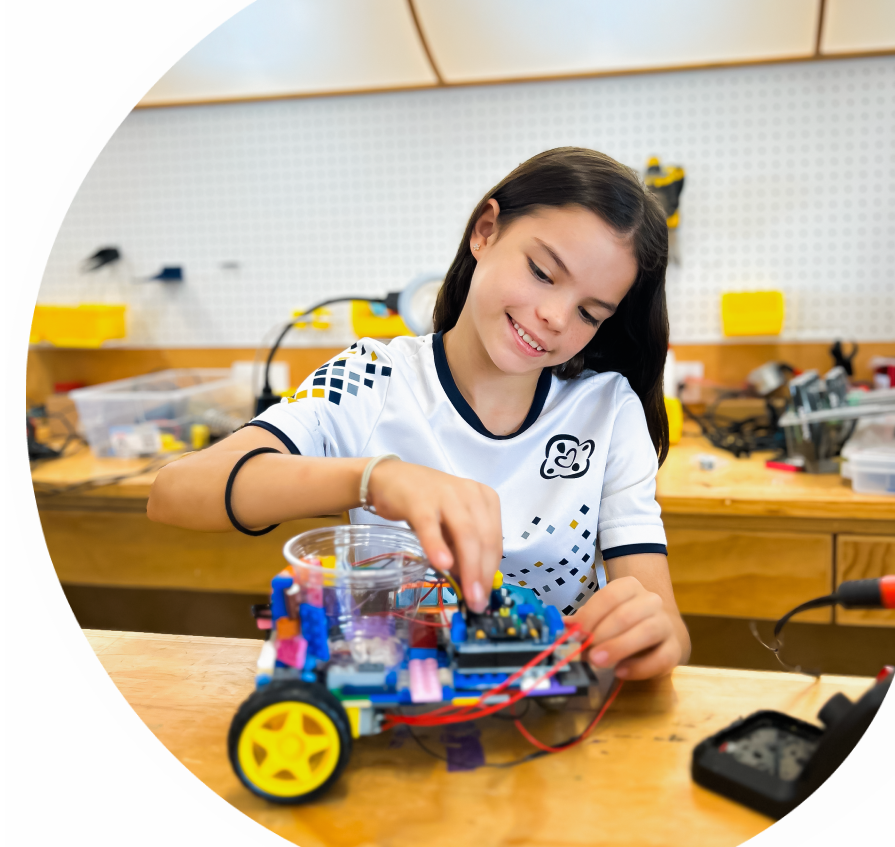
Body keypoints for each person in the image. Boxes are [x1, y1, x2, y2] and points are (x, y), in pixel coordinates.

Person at [148, 147, 690, 680]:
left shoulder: (608, 410)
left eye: (589, 314)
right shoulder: (371, 377)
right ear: (486, 231)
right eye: (543, 273)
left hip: (546, 705)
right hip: (402, 696)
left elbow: (666, 625)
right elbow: (174, 492)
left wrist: (653, 634)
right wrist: (374, 479)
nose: (553, 317)